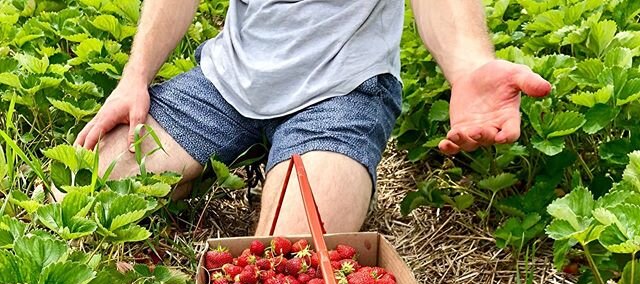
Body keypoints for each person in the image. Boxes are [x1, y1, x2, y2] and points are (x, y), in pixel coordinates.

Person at [75, 0, 551, 234]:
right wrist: (135, 75)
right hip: (229, 79)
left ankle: (319, 161)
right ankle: (228, 159)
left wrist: (467, 64)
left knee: (286, 274)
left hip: (340, 91)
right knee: (89, 192)